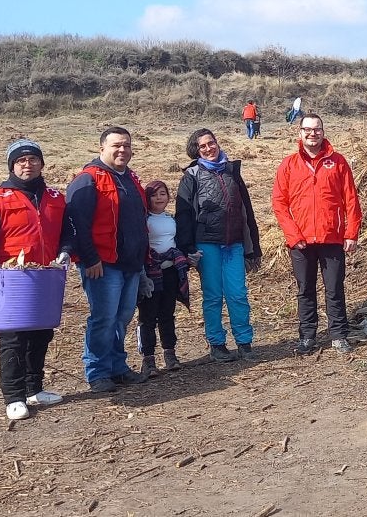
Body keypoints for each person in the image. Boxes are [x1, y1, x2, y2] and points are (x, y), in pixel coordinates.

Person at [0, 139, 72, 420]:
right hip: (11, 277)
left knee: (42, 333)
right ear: (12, 166)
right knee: (14, 338)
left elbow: (68, 232)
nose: (27, 165)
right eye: (21, 161)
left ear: (42, 163)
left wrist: (65, 251)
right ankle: (13, 396)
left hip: (46, 275)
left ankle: (34, 388)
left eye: (33, 159)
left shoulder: (55, 197)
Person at [66, 126, 149, 393]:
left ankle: (117, 367)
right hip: (102, 264)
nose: (122, 150)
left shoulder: (131, 178)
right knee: (103, 318)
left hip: (131, 263)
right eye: (116, 145)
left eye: (126, 145)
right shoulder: (88, 179)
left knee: (122, 317)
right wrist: (90, 259)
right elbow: (76, 224)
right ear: (101, 148)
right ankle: (97, 371)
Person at [271, 113, 363, 356]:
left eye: (317, 129)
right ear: (300, 133)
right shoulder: (288, 164)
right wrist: (293, 235)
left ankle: (339, 335)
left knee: (334, 288)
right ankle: (308, 336)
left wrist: (351, 233)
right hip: (300, 241)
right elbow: (279, 203)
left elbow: (351, 200)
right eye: (308, 130)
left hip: (332, 237)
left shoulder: (338, 162)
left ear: (323, 132)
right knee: (305, 289)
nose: (313, 134)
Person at [176, 129, 263, 363]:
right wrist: (187, 248)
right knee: (213, 296)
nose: (208, 148)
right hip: (207, 245)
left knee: (238, 295)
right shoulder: (191, 175)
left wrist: (253, 245)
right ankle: (217, 344)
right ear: (196, 150)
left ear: (217, 143)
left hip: (233, 243)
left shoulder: (232, 171)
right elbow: (183, 215)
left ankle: (244, 342)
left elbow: (247, 210)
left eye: (211, 143)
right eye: (202, 146)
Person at [137, 180, 191, 376]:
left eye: (163, 194)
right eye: (154, 195)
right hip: (151, 272)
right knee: (148, 316)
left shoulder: (171, 218)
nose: (159, 198)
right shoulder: (144, 219)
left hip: (170, 271)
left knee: (167, 314)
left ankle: (170, 353)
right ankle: (148, 359)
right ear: (147, 198)